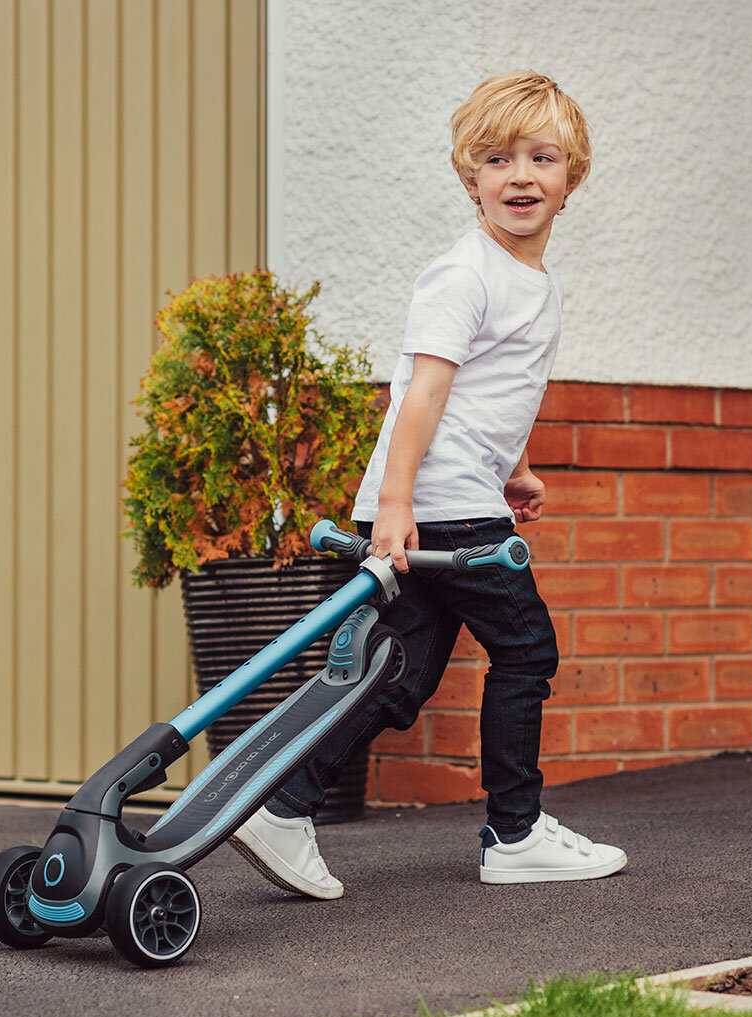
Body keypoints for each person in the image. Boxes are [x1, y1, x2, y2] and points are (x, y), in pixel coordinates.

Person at [230, 71, 626, 898]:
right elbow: (422, 393)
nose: (519, 175)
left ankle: (285, 808)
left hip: (452, 496)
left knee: (397, 675)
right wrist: (399, 504)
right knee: (527, 648)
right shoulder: (466, 272)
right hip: (439, 506)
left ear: (570, 178)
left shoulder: (535, 284)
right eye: (496, 159)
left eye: (540, 157)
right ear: (469, 177)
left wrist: (511, 468)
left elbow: (494, 392)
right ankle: (515, 835)